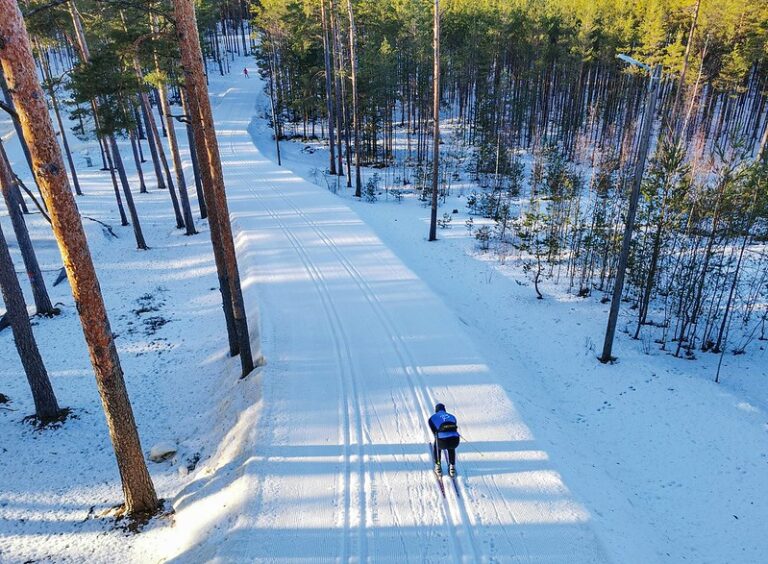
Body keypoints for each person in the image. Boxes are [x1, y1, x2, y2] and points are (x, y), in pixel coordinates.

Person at [428, 403, 460, 477]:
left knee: (437, 445)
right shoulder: (452, 416)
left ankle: (438, 466)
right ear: (444, 410)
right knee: (451, 447)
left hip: (442, 442)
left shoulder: (433, 417)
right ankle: (452, 467)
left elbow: (434, 433)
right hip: (455, 441)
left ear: (436, 410)